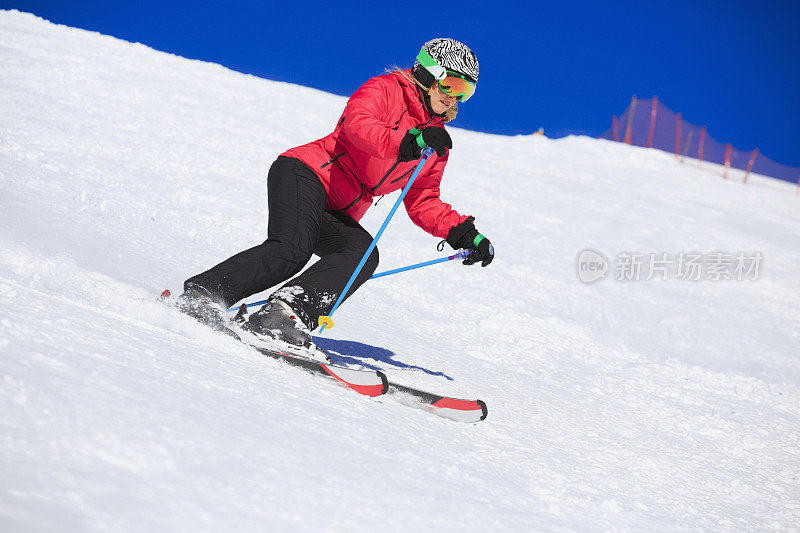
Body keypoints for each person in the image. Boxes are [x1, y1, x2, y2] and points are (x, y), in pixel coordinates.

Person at [177, 37, 494, 351]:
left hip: (337, 209)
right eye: (451, 85)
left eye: (466, 92)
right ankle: (202, 294)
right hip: (307, 174)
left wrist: (463, 232)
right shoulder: (385, 90)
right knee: (292, 249)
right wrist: (406, 139)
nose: (455, 99)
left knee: (361, 254)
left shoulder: (435, 144)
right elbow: (358, 126)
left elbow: (423, 198)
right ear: (427, 74)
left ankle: (282, 317)